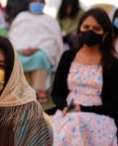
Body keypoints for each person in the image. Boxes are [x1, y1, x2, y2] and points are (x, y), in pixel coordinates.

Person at [49, 8, 118, 145]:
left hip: (99, 116)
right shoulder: (68, 56)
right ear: (79, 29)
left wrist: (83, 109)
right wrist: (64, 106)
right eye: (86, 27)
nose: (90, 31)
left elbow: (114, 103)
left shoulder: (112, 63)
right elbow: (57, 92)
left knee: (76, 122)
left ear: (105, 33)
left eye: (96, 28)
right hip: (66, 112)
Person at [9, 0, 64, 104]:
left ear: (44, 4)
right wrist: (20, 48)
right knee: (17, 59)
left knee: (39, 58)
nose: (37, 4)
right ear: (30, 3)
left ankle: (41, 91)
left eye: (40, 2)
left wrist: (38, 48)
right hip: (20, 49)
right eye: (35, 1)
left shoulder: (50, 20)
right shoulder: (21, 17)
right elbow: (13, 34)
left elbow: (53, 39)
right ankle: (21, 90)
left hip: (40, 50)